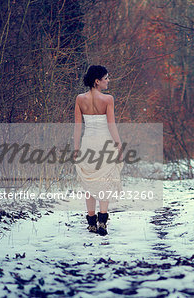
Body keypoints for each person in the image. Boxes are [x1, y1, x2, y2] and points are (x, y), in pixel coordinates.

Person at [73, 65, 123, 236]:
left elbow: (78, 127)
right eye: (106, 78)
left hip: (87, 143)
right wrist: (118, 144)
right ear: (97, 81)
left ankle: (92, 222)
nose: (108, 81)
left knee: (89, 182)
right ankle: (102, 222)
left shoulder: (80, 99)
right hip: (104, 144)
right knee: (104, 182)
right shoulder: (108, 99)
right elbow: (111, 125)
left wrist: (76, 148)